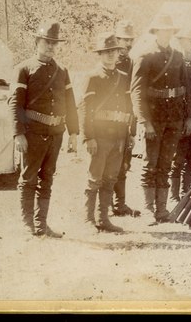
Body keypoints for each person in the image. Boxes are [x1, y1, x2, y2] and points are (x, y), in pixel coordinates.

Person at [9, 21, 79, 237]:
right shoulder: (24, 68)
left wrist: (73, 133)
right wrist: (18, 133)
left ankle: (42, 225)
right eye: (46, 42)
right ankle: (27, 224)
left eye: (54, 43)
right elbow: (15, 103)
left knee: (47, 178)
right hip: (32, 133)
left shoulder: (62, 71)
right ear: (37, 42)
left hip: (55, 133)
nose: (50, 46)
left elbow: (70, 102)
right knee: (28, 177)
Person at [130, 13, 191, 224]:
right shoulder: (145, 56)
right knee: (150, 164)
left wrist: (187, 118)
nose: (165, 33)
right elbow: (136, 92)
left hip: (174, 118)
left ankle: (162, 209)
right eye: (162, 30)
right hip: (153, 119)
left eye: (169, 30)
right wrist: (144, 121)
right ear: (155, 32)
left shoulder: (177, 56)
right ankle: (148, 209)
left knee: (166, 164)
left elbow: (185, 90)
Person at [79, 32, 133, 233]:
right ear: (100, 54)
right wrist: (88, 137)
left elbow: (129, 108)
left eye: (114, 51)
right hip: (99, 137)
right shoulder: (92, 77)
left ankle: (103, 219)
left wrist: (130, 134)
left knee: (110, 178)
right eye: (106, 52)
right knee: (94, 179)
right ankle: (88, 219)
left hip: (118, 136)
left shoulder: (123, 77)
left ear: (119, 53)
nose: (111, 55)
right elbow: (85, 109)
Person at [169, 27, 191, 202]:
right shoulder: (174, 65)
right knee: (178, 158)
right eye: (189, 41)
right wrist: (184, 118)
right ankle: (174, 196)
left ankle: (185, 193)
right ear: (180, 42)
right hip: (179, 118)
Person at [112, 19, 140, 217]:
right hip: (107, 121)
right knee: (105, 164)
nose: (127, 45)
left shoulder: (133, 62)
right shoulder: (108, 59)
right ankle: (103, 206)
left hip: (126, 118)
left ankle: (119, 204)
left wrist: (133, 127)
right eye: (123, 40)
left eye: (130, 40)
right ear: (116, 39)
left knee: (124, 163)